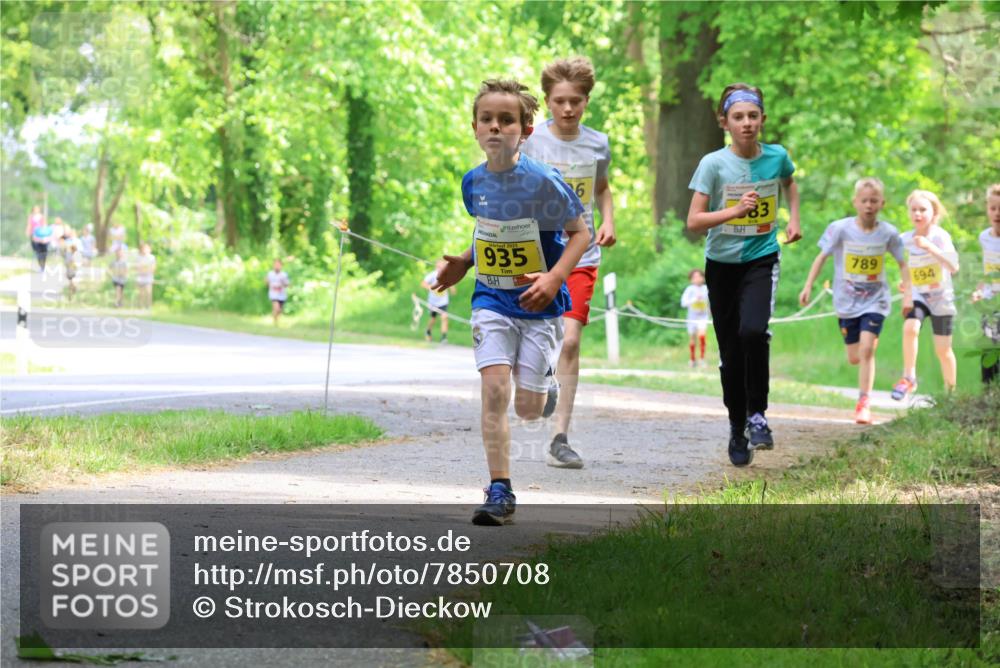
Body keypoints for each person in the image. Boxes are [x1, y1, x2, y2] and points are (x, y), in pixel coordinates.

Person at [432, 78, 588, 525]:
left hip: (539, 305)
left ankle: (547, 387)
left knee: (529, 408)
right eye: (487, 119)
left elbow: (580, 234)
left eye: (506, 120)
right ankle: (500, 488)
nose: (495, 127)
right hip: (492, 300)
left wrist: (555, 277)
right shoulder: (473, 183)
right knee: (495, 390)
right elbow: (489, 229)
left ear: (526, 129)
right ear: (475, 128)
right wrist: (464, 261)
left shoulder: (543, 182)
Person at [686, 83, 801, 467]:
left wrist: (794, 219)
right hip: (721, 265)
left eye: (753, 116)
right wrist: (732, 213)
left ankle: (758, 415)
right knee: (731, 353)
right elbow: (694, 221)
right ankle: (737, 425)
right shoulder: (713, 164)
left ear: (762, 120)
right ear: (724, 122)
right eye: (738, 117)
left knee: (754, 331)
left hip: (761, 257)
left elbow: (790, 182)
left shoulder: (777, 156)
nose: (746, 123)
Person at [520, 56, 614, 470]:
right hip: (538, 252)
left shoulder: (598, 143)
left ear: (586, 101)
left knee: (572, 340)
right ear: (547, 101)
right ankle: (544, 381)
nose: (568, 109)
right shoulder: (533, 142)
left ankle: (560, 437)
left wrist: (608, 219)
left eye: (576, 101)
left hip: (582, 254)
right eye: (559, 101)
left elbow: (603, 188)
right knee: (537, 339)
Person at [798, 177, 912, 424]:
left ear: (882, 203)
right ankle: (862, 361)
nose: (869, 205)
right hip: (846, 302)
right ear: (855, 203)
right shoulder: (840, 229)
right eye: (864, 201)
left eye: (873, 201)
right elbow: (822, 257)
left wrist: (908, 296)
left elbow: (904, 264)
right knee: (854, 356)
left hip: (876, 301)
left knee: (867, 349)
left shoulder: (889, 233)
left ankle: (863, 402)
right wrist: (808, 285)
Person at [891, 189, 960, 400]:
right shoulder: (905, 239)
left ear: (933, 212)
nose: (918, 214)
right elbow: (906, 266)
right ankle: (909, 377)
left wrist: (931, 247)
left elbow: (954, 266)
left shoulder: (940, 236)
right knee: (910, 327)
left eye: (923, 209)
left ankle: (951, 395)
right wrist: (904, 283)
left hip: (941, 298)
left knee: (943, 350)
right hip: (919, 296)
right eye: (914, 210)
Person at [971, 184, 1000, 385]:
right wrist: (978, 290)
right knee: (989, 345)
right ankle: (988, 394)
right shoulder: (984, 237)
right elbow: (987, 270)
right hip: (990, 301)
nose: (997, 213)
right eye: (993, 208)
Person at [680, 269, 710, 368]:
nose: (697, 279)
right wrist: (694, 300)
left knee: (702, 336)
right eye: (694, 277)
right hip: (692, 317)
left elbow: (711, 302)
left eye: (699, 276)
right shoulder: (690, 289)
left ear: (703, 278)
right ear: (691, 279)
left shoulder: (706, 289)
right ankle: (692, 359)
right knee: (692, 338)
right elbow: (683, 303)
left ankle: (702, 359)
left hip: (703, 316)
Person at [420, 259, 454, 342]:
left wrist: (452, 288)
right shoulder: (432, 275)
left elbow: (452, 287)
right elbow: (423, 283)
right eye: (439, 266)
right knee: (433, 319)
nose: (440, 268)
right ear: (436, 266)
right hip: (433, 301)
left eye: (442, 266)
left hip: (443, 301)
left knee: (444, 317)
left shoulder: (447, 275)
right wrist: (431, 288)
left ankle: (444, 337)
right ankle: (428, 331)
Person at [25, 206, 51, 272]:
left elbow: (45, 225)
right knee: (37, 251)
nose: (36, 210)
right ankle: (41, 266)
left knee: (43, 251)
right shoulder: (31, 217)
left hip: (42, 236)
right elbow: (29, 225)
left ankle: (43, 265)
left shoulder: (41, 217)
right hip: (34, 236)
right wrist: (28, 232)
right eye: (34, 209)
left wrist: (44, 236)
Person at [267, 259, 290, 326]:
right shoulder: (270, 274)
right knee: (276, 308)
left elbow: (287, 284)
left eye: (278, 265)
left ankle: (276, 319)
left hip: (281, 294)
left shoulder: (284, 275)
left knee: (279, 310)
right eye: (275, 265)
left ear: (281, 266)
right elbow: (266, 281)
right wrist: (269, 284)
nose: (277, 266)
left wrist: (283, 282)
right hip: (273, 294)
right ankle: (275, 322)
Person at [135, 242, 156, 309]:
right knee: (141, 293)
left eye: (146, 248)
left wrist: (144, 269)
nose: (144, 250)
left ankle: (148, 306)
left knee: (148, 292)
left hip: (148, 277)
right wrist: (144, 269)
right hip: (140, 278)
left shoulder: (152, 257)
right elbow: (137, 268)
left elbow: (153, 268)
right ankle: (140, 306)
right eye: (143, 248)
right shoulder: (138, 257)